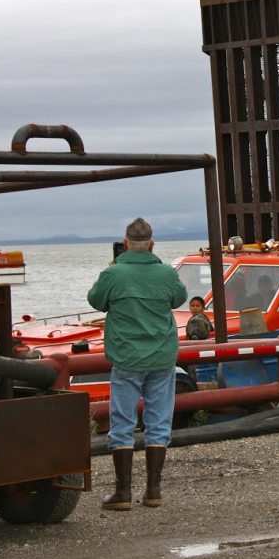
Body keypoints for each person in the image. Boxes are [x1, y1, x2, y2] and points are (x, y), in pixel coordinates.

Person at [87, 217, 187, 510]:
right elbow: (178, 299)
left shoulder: (113, 274)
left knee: (123, 422)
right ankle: (153, 490)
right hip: (161, 355)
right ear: (152, 244)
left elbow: (96, 301)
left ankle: (123, 493)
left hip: (127, 356)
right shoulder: (167, 274)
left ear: (126, 243)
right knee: (158, 422)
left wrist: (112, 270)